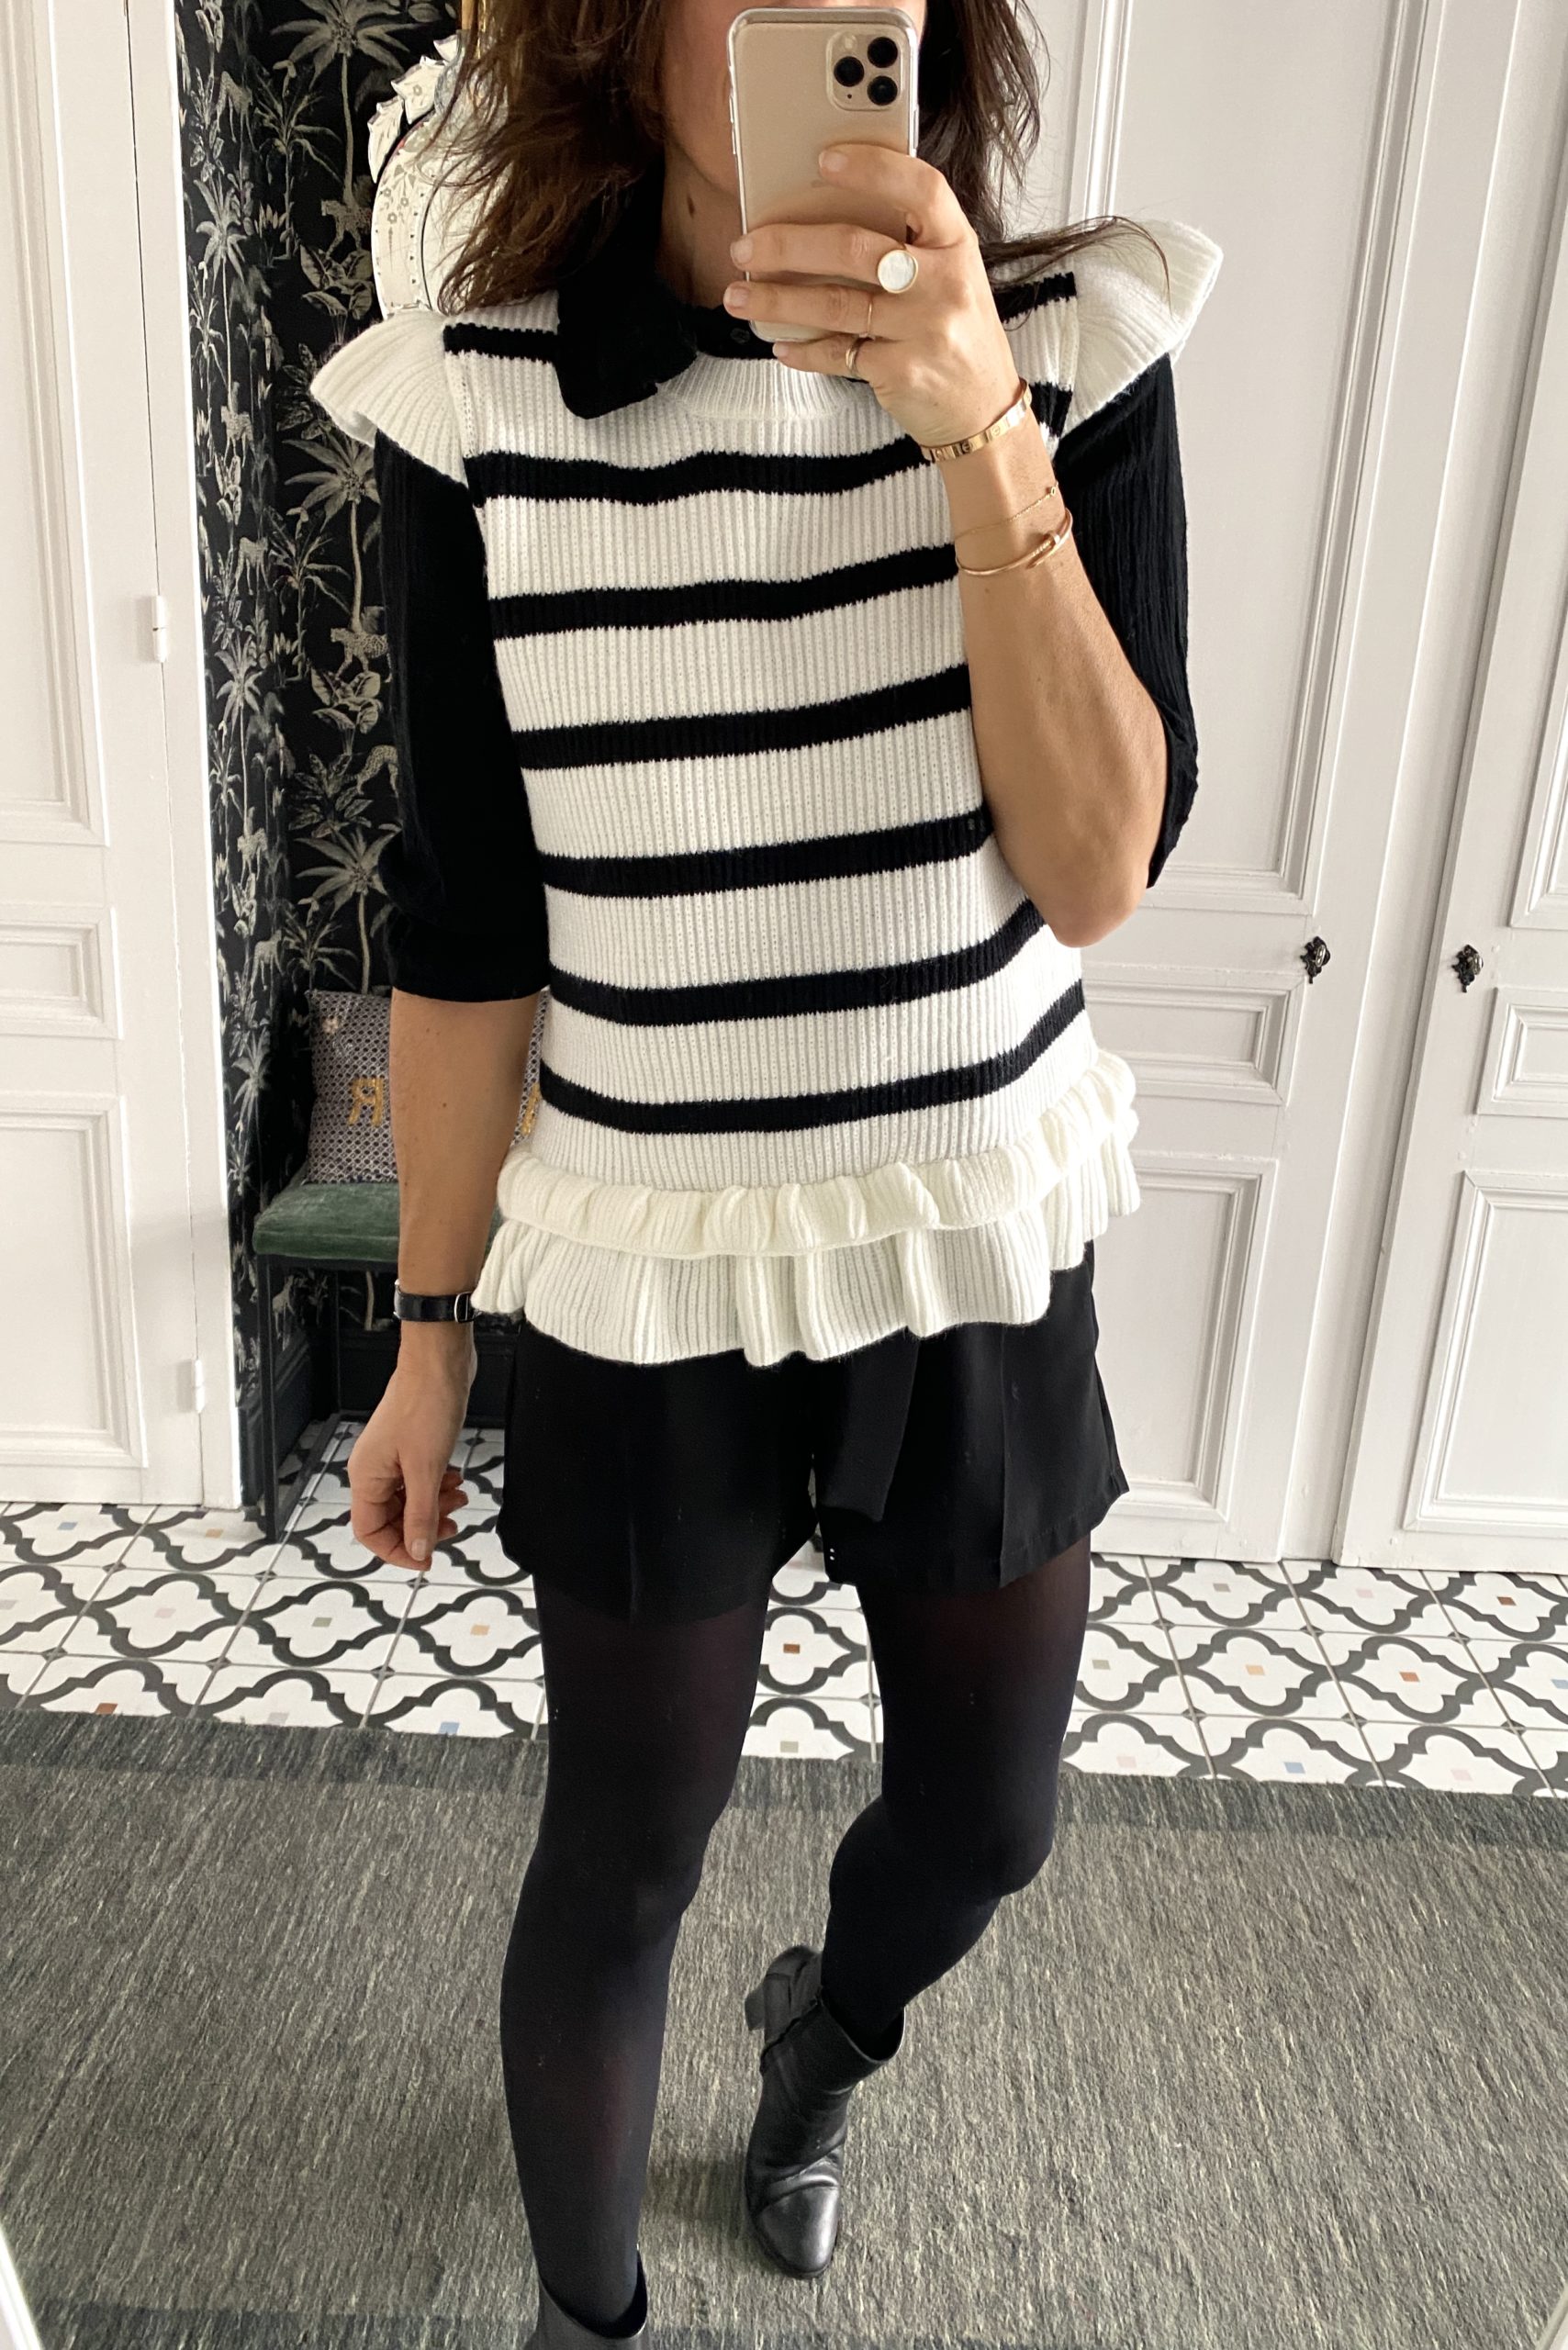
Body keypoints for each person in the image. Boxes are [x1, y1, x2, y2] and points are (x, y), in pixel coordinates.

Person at [311, 4, 1220, 2342]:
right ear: (619, 28)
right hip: (642, 1247)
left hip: (963, 1212)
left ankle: (822, 2036)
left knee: (990, 1815)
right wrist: (424, 1335)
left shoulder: (1070, 343)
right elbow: (466, 930)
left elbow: (1097, 867)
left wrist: (978, 427)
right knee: (621, 1849)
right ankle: (585, 2315)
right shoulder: (482, 406)